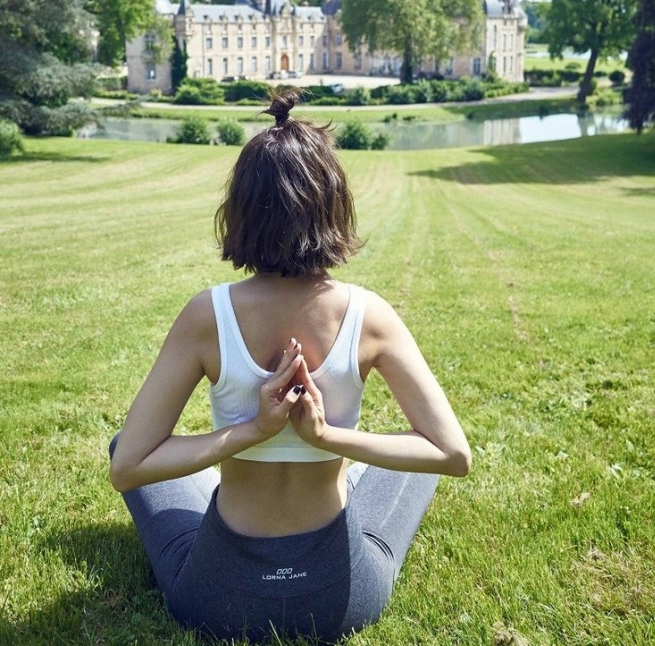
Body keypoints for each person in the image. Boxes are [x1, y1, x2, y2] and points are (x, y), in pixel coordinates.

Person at [109, 91, 471, 643]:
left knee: (123, 444)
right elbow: (452, 454)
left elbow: (129, 466)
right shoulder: (369, 314)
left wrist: (250, 432)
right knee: (405, 458)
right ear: (333, 202)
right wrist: (328, 438)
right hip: (342, 600)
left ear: (243, 209)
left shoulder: (208, 314)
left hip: (216, 599)